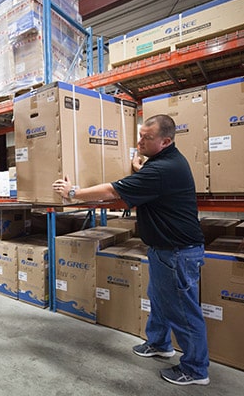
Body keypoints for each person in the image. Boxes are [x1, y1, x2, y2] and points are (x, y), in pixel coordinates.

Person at [52, 114, 209, 386]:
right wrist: (139, 168)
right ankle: (160, 344)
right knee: (160, 301)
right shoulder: (162, 162)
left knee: (183, 312)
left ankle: (196, 369)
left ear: (165, 141)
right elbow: (147, 183)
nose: (139, 142)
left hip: (177, 252)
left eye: (146, 138)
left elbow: (114, 191)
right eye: (140, 135)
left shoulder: (163, 169)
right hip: (165, 250)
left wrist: (73, 192)